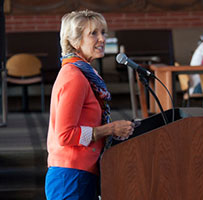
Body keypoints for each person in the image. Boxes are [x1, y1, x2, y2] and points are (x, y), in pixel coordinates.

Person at [45, 10, 134, 199]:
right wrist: (110, 129)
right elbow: (65, 135)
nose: (102, 38)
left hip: (81, 171)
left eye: (103, 32)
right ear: (75, 41)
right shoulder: (74, 76)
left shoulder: (85, 73)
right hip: (70, 176)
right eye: (93, 33)